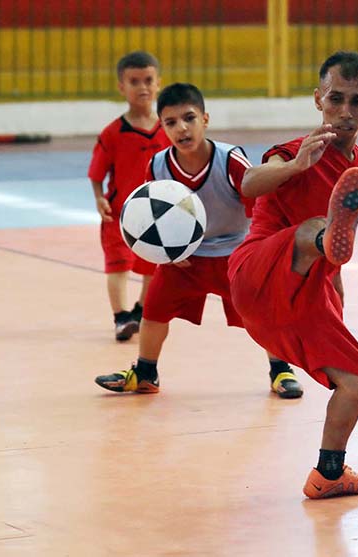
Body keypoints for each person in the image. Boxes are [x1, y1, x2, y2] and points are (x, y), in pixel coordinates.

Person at [228, 51, 358, 499]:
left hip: (303, 295)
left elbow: (336, 256)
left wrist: (337, 308)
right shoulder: (293, 151)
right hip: (257, 272)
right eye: (336, 99)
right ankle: (322, 237)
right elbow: (248, 183)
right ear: (318, 99)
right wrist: (296, 166)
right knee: (315, 229)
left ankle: (328, 474)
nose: (345, 111)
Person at [94, 83, 303, 399]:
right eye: (171, 122)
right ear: (162, 127)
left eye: (189, 118)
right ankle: (146, 373)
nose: (181, 128)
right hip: (184, 258)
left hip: (234, 253)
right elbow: (150, 218)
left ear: (205, 119)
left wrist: (256, 253)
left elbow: (261, 209)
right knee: (153, 310)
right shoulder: (158, 165)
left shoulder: (230, 160)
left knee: (262, 312)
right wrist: (165, 253)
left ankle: (281, 370)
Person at [88, 51, 172, 341]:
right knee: (118, 265)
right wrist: (98, 197)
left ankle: (139, 310)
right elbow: (96, 174)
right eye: (134, 81)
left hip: (157, 213)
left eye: (148, 80)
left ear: (158, 83)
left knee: (153, 266)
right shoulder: (112, 133)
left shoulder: (168, 129)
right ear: (121, 87)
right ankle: (121, 317)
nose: (142, 87)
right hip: (118, 214)